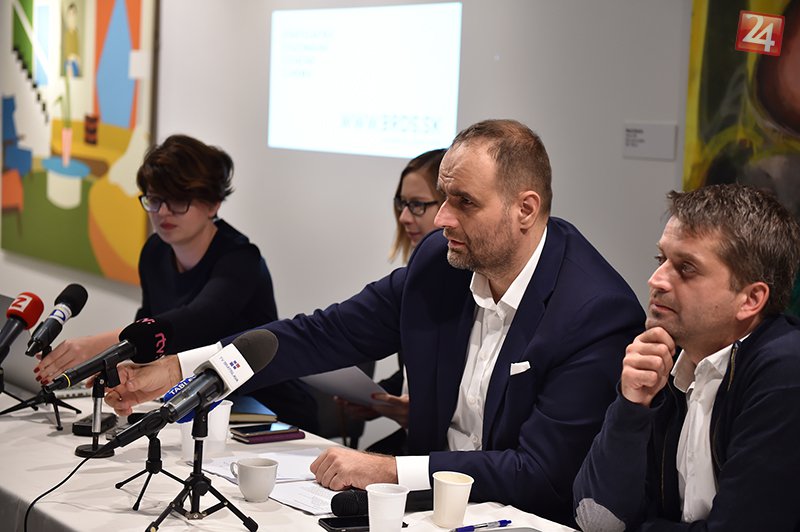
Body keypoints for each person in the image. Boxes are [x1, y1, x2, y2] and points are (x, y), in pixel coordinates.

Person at [106, 119, 644, 526]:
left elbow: (540, 474)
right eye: (443, 197)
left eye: (464, 202)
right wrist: (181, 368)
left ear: (525, 209)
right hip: (418, 509)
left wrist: (388, 469)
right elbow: (322, 333)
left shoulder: (594, 312)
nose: (441, 219)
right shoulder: (440, 264)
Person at [34, 134, 317, 429]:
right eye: (155, 200)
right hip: (194, 401)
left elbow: (198, 320)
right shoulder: (155, 252)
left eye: (179, 200)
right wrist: (121, 370)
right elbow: (148, 328)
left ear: (213, 204)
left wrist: (95, 347)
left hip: (265, 410)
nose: (163, 212)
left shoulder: (241, 259)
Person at [573, 184, 800, 531]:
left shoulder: (785, 373)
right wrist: (631, 405)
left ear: (751, 299)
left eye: (686, 268)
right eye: (661, 260)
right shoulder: (667, 356)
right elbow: (596, 519)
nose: (656, 280)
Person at [338, 148, 447, 449]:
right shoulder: (416, 280)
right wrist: (378, 398)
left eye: (417, 205)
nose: (403, 217)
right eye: (402, 203)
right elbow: (416, 370)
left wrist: (418, 412)